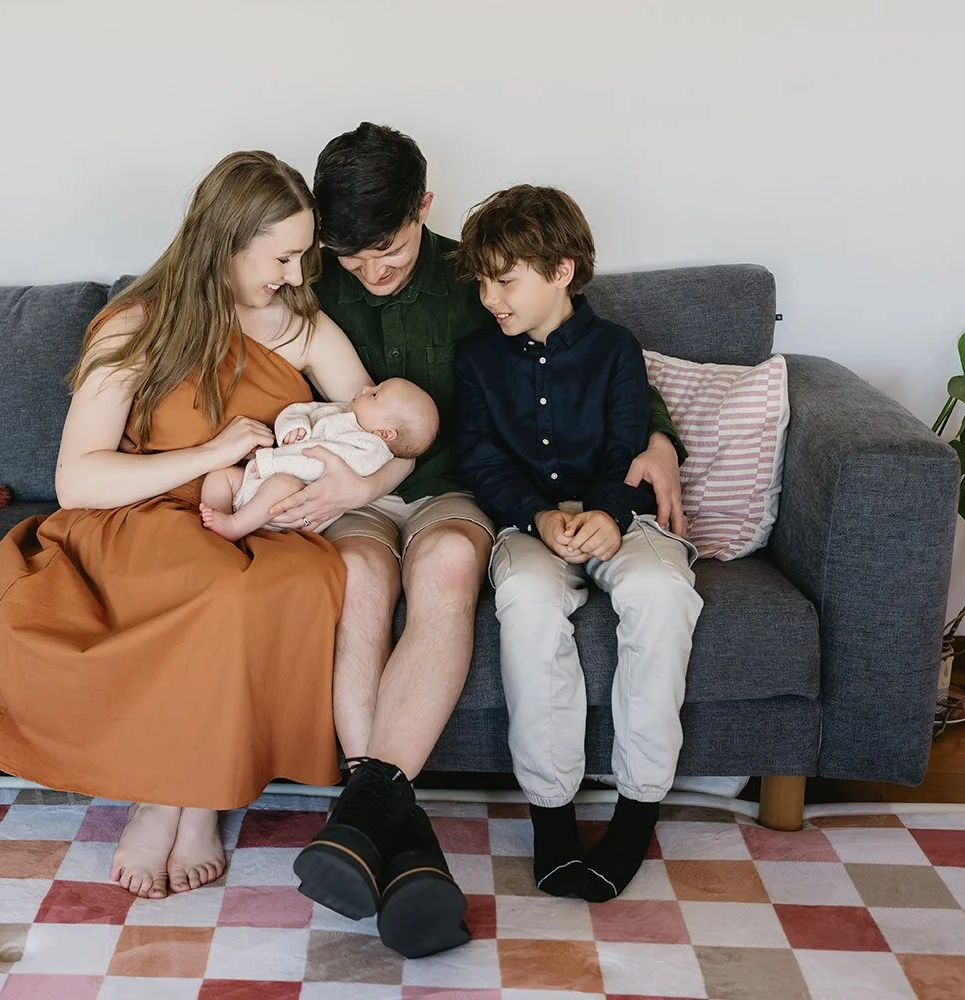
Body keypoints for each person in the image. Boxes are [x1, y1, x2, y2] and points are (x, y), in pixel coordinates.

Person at [0, 151, 404, 901]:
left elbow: (386, 432)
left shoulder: (304, 329)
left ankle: (192, 800)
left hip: (256, 520)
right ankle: (170, 797)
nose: (294, 274)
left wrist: (363, 481)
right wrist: (207, 452)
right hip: (139, 516)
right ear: (228, 243)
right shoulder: (136, 323)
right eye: (282, 257)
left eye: (302, 256)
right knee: (207, 585)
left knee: (281, 584)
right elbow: (77, 478)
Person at [274, 124, 686, 957]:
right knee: (355, 576)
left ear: (424, 208)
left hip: (452, 495)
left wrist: (662, 440)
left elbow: (600, 368)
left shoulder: (481, 276)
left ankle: (363, 818)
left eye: (385, 249)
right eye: (350, 257)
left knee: (456, 561)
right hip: (348, 498)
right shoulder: (309, 280)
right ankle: (390, 829)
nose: (371, 271)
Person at [454, 184, 703, 901]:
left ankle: (636, 811)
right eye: (481, 282)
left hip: (618, 517)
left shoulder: (616, 349)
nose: (490, 298)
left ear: (561, 271)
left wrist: (608, 515)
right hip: (527, 523)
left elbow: (628, 441)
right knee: (528, 602)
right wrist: (536, 517)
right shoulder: (476, 358)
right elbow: (481, 457)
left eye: (505, 281)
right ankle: (552, 815)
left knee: (660, 593)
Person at [200, 378, 438, 541]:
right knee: (221, 475)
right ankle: (215, 520)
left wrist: (271, 460)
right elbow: (300, 410)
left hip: (291, 500)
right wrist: (293, 428)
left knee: (282, 485)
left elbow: (318, 463)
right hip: (259, 477)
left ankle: (234, 527)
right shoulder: (342, 411)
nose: (365, 387)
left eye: (374, 394)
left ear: (385, 433)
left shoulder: (369, 451)